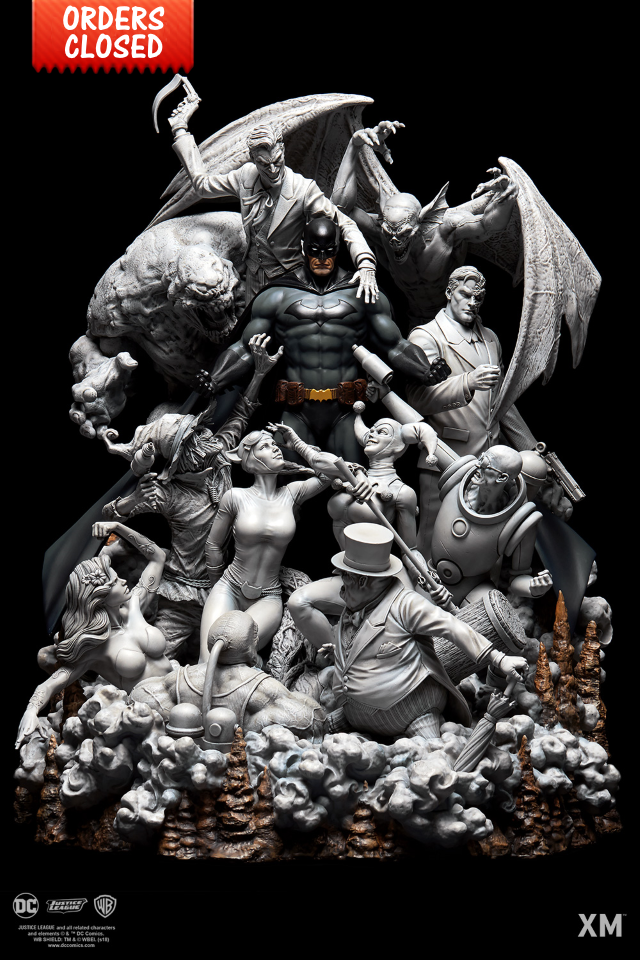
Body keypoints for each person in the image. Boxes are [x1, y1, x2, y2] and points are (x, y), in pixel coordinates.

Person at [198, 218, 450, 463]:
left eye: (328, 251)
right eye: (314, 251)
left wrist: (425, 370)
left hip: (346, 411)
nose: (321, 258)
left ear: (338, 249)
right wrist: (215, 379)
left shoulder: (362, 293)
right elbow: (245, 349)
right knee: (290, 479)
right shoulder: (277, 295)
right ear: (303, 247)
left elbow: (395, 345)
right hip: (295, 411)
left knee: (354, 484)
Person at [101, 333, 281, 661]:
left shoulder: (218, 455)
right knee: (152, 662)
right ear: (183, 458)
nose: (207, 435)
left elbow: (242, 413)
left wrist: (259, 373)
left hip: (230, 589)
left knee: (235, 660)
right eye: (195, 437)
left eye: (201, 430)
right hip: (183, 597)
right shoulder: (167, 492)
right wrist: (133, 499)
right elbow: (110, 514)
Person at [319, 524, 528, 741]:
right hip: (352, 712)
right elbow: (364, 643)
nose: (341, 588)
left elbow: (452, 627)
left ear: (363, 581)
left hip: (410, 712)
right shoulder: (354, 605)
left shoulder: (405, 605)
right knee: (317, 726)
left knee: (432, 752)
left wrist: (499, 659)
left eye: (346, 578)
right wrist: (340, 651)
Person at [168, 98, 378, 303]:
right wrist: (180, 130)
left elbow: (345, 223)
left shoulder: (303, 189)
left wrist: (365, 264)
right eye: (264, 164)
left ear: (283, 151)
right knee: (251, 324)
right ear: (253, 160)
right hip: (253, 276)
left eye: (277, 161)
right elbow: (203, 185)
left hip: (290, 278)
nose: (273, 170)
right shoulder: (245, 176)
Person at [200, 422, 373, 660]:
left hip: (268, 597)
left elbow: (332, 470)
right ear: (248, 459)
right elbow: (213, 545)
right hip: (228, 587)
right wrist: (214, 587)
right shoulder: (235, 497)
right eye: (264, 446)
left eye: (275, 444)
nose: (274, 448)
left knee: (233, 653)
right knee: (207, 658)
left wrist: (297, 444)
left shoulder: (292, 493)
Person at [405, 266, 538, 558]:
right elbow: (417, 400)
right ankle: (422, 585)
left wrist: (530, 447)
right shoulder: (427, 337)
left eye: (478, 298)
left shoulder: (490, 339)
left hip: (492, 463)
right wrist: (467, 382)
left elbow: (502, 401)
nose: (472, 303)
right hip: (445, 457)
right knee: (433, 537)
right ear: (449, 292)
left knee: (484, 541)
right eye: (465, 295)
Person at [16, 522, 170, 749]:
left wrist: (118, 527)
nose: (123, 580)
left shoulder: (136, 604)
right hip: (154, 715)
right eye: (115, 581)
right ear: (100, 596)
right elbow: (51, 684)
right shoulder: (96, 646)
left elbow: (157, 557)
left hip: (178, 684)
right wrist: (31, 710)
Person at [429, 445, 553, 606]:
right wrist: (420, 434)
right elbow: (429, 438)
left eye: (485, 463)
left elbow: (517, 579)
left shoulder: (519, 521)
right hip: (430, 578)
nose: (477, 464)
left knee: (493, 613)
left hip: (471, 591)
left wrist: (533, 588)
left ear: (502, 478)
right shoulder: (460, 476)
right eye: (481, 458)